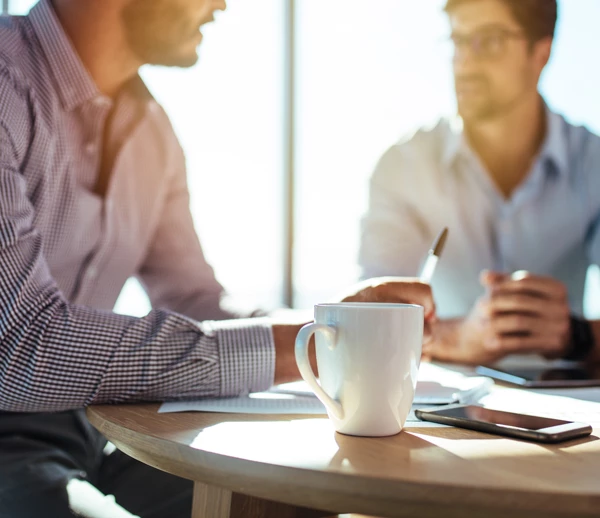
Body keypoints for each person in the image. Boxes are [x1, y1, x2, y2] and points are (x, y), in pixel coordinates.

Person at [0, 0, 435, 516]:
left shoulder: (152, 134)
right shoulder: (7, 83)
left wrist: (331, 327)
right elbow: (20, 346)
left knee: (294, 504)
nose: (224, 4)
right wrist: (307, 348)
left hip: (97, 423)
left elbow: (193, 298)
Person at [360, 0, 600, 366]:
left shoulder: (592, 164)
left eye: (489, 41)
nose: (465, 63)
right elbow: (367, 321)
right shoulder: (403, 168)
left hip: (572, 408)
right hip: (439, 406)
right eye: (458, 41)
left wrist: (576, 335)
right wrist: (456, 337)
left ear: (541, 52)